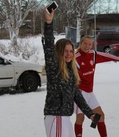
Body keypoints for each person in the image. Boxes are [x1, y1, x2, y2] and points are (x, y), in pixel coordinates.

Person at [42, 6, 98, 137]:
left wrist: (90, 113)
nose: (69, 54)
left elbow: (76, 95)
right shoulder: (53, 67)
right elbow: (49, 46)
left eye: (71, 51)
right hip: (56, 117)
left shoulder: (71, 71)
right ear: (59, 52)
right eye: (65, 51)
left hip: (65, 117)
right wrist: (49, 23)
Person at [74, 35, 119, 137]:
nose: (87, 46)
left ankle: (97, 130)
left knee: (100, 116)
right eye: (85, 43)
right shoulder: (75, 57)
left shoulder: (93, 54)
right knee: (80, 118)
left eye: (89, 44)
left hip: (90, 92)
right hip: (80, 93)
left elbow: (108, 56)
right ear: (80, 43)